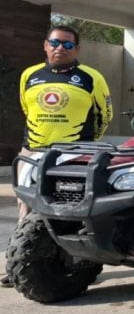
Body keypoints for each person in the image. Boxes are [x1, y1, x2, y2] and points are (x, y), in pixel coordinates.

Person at [2, 25, 112, 288]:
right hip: (33, 152)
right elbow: (26, 109)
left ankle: (80, 261)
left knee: (72, 208)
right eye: (54, 42)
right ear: (45, 45)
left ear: (77, 49)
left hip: (73, 154)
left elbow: (104, 115)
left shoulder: (90, 77)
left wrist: (85, 145)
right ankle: (21, 265)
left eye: (67, 44)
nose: (59, 48)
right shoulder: (30, 75)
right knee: (26, 209)